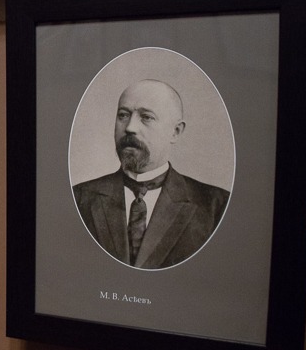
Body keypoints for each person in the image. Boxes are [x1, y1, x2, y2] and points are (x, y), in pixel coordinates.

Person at [72, 79, 230, 269]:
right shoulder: (79, 198)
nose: (129, 127)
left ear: (175, 132)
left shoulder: (216, 207)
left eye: (146, 117)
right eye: (123, 115)